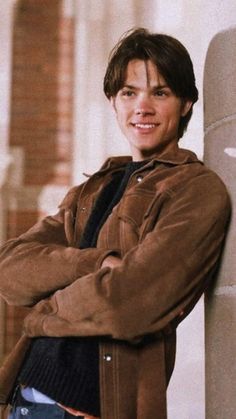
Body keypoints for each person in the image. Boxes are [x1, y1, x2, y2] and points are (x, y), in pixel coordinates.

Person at [0, 27, 231, 419]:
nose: (142, 107)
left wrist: (41, 314)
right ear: (113, 101)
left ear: (187, 103)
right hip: (24, 397)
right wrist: (94, 263)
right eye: (129, 92)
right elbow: (10, 268)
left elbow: (130, 302)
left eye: (160, 92)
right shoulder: (93, 188)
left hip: (89, 409)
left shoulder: (196, 189)